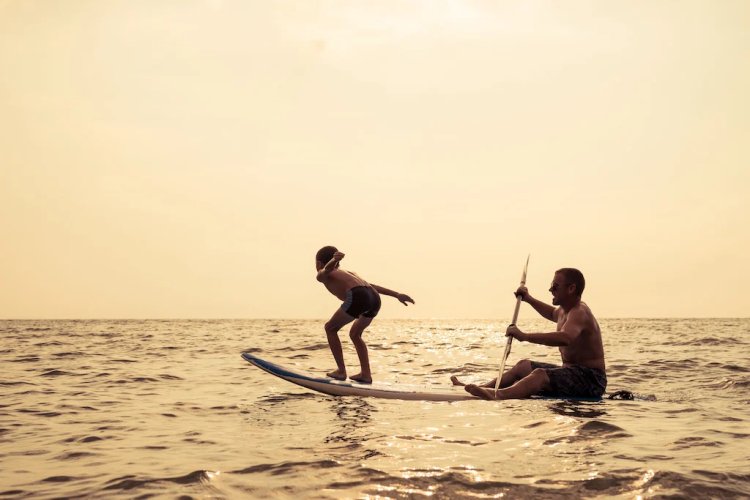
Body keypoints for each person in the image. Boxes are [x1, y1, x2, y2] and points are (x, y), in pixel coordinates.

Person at [451, 268, 606, 400]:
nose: (551, 290)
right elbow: (551, 313)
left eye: (555, 286)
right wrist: (528, 299)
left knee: (540, 375)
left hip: (592, 380)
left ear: (571, 289)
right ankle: (483, 388)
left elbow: (565, 338)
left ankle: (499, 395)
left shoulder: (579, 312)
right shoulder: (563, 311)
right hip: (570, 372)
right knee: (523, 366)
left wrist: (525, 336)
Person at [315, 246, 414, 383]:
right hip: (373, 297)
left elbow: (326, 270)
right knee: (355, 334)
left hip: (359, 296)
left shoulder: (322, 273)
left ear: (319, 263)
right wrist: (396, 294)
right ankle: (365, 374)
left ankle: (341, 371)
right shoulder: (350, 273)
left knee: (330, 328)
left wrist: (332, 261)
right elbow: (371, 286)